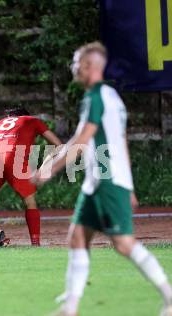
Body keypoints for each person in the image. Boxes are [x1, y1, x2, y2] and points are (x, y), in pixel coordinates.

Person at [32, 42, 172, 316]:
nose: (73, 67)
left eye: (75, 63)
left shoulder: (96, 96)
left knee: (123, 243)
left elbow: (83, 139)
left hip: (108, 182)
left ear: (88, 67)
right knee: (77, 237)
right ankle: (70, 307)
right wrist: (130, 185)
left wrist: (51, 168)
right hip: (98, 182)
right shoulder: (112, 96)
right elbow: (121, 142)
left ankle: (169, 295)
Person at [0, 107, 62, 246]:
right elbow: (59, 145)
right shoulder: (32, 120)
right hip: (15, 157)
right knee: (30, 202)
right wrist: (44, 167)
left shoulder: (0, 123)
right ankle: (35, 243)